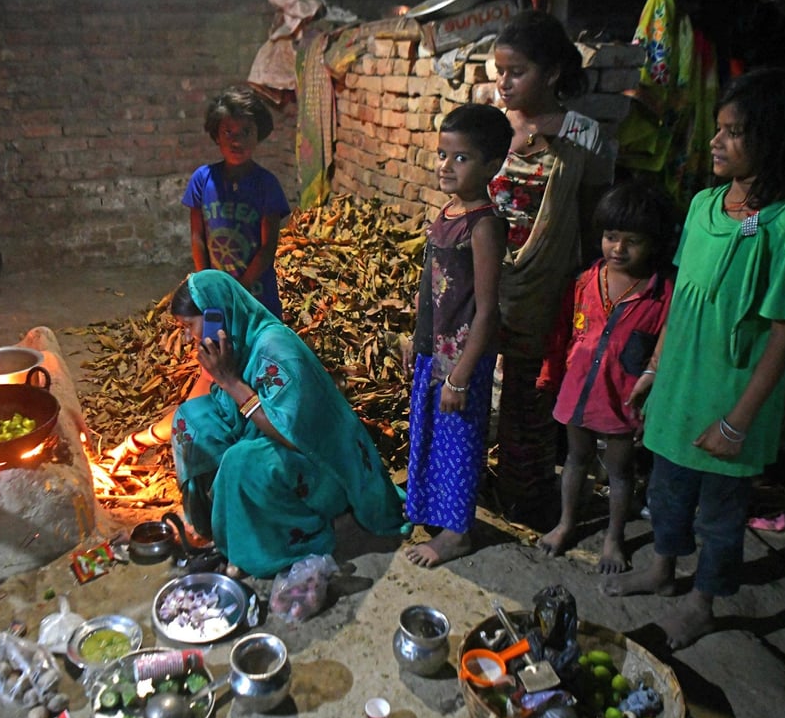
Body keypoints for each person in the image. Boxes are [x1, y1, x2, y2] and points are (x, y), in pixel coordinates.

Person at [602, 67, 785, 650]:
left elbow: (784, 332)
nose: (716, 141)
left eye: (733, 133)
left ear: (774, 143)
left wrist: (738, 421)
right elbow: (683, 297)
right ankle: (661, 569)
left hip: (731, 400)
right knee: (667, 495)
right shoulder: (705, 205)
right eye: (719, 129)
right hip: (680, 384)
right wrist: (655, 368)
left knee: (720, 517)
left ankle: (704, 603)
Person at [111, 270, 410, 579]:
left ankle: (281, 541)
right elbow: (194, 407)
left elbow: (292, 436)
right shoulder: (235, 342)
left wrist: (230, 381)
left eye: (189, 327)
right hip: (282, 443)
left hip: (324, 468)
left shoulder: (277, 351)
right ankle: (210, 526)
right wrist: (136, 441)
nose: (189, 338)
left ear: (216, 315)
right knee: (193, 420)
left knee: (240, 462)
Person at [486, 10, 615, 528]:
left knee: (529, 393)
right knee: (473, 383)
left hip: (544, 287)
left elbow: (590, 218)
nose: (503, 82)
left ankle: (526, 493)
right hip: (486, 278)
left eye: (516, 71)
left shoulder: (585, 137)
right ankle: (467, 479)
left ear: (553, 73)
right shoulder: (493, 128)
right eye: (499, 70)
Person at [537, 181, 677, 573]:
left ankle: (614, 538)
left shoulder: (662, 294)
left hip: (623, 398)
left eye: (632, 241)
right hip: (579, 390)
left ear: (655, 243)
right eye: (611, 237)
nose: (618, 248)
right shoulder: (585, 281)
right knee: (576, 460)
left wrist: (652, 403)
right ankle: (566, 523)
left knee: (619, 471)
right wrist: (551, 374)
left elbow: (664, 354)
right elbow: (563, 331)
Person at [402, 103, 512, 568]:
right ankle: (430, 509)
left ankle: (457, 533)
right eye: (443, 155)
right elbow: (431, 282)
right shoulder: (447, 211)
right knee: (430, 432)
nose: (446, 166)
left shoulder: (484, 224)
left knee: (459, 442)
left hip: (462, 355)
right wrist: (414, 336)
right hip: (434, 346)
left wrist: (462, 376)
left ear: (492, 165)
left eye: (461, 158)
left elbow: (486, 309)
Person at [183, 85, 290, 321]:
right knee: (220, 348)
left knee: (260, 349)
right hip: (217, 297)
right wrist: (208, 284)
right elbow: (197, 237)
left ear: (258, 134)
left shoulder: (266, 185)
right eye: (228, 132)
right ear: (216, 135)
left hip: (258, 297)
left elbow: (267, 249)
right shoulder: (202, 180)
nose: (237, 141)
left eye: (246, 132)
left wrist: (238, 290)